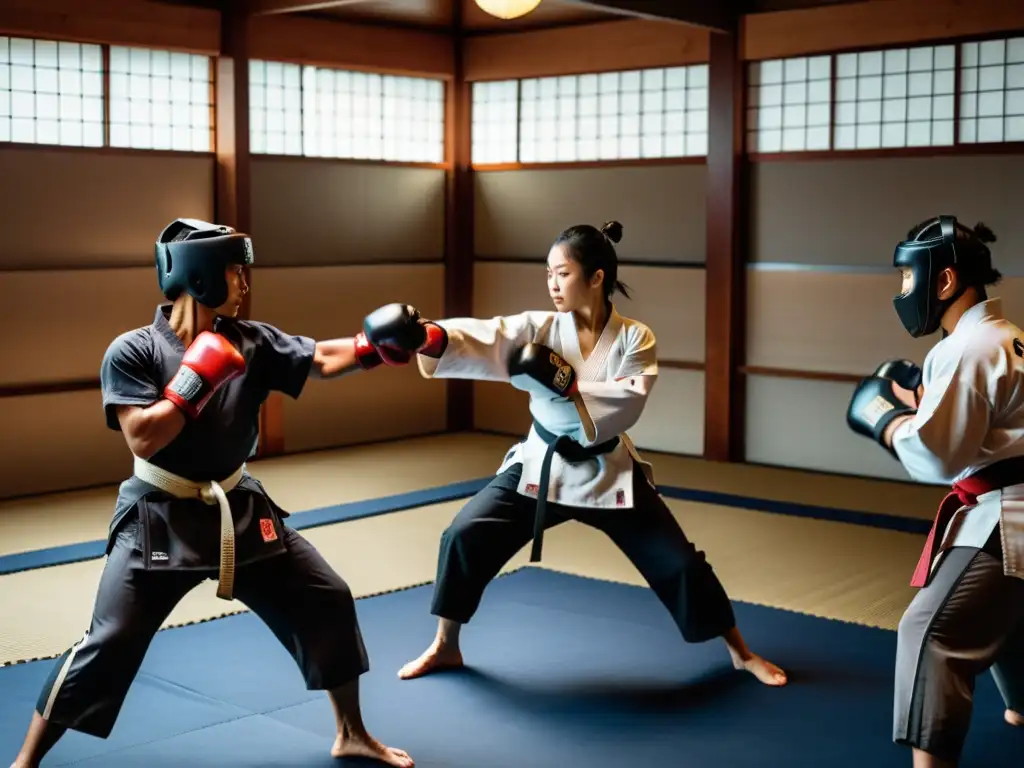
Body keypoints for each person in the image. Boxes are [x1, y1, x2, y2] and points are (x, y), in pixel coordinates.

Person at [9, 219, 413, 768]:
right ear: (199, 278)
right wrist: (195, 381)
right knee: (109, 642)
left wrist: (372, 347)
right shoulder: (133, 351)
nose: (245, 285)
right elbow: (143, 438)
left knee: (326, 598)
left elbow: (320, 358)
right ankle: (26, 761)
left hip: (236, 508)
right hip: (158, 516)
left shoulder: (250, 339)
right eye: (235, 272)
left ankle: (352, 732)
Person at [360, 220, 788, 688]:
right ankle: (446, 645)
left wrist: (570, 385)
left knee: (681, 564)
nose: (552, 283)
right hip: (542, 464)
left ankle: (741, 652)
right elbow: (487, 338)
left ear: (596, 277)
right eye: (548, 273)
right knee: (463, 536)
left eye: (561, 273)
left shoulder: (635, 338)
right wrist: (427, 338)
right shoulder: (539, 328)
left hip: (609, 470)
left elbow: (630, 401)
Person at [845, 215, 1024, 768]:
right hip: (1013, 498)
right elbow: (983, 427)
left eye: (906, 278)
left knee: (930, 633)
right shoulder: (1006, 335)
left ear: (942, 281)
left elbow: (938, 455)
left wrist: (887, 420)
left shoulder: (969, 348)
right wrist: (922, 400)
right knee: (1003, 610)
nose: (902, 291)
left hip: (1009, 514)